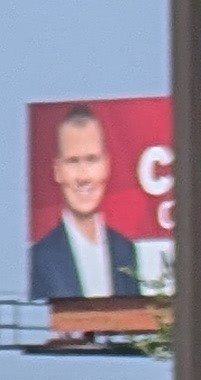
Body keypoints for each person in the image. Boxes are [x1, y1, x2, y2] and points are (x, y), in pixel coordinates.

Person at [29, 107, 150, 303]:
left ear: (106, 166)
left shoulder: (125, 251)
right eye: (73, 161)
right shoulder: (40, 258)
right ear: (58, 171)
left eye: (92, 160)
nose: (84, 177)